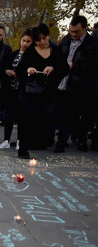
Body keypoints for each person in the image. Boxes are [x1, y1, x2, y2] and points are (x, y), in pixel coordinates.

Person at [17, 24, 68, 159]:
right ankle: (23, 147)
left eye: (44, 38)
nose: (42, 42)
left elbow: (64, 68)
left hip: (47, 90)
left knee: (46, 115)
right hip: (29, 89)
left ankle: (39, 141)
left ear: (48, 36)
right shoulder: (30, 51)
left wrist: (53, 69)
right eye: (38, 40)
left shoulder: (56, 50)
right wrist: (28, 70)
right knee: (27, 116)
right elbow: (19, 70)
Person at [55, 15, 98, 152]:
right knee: (65, 114)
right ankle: (61, 142)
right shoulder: (66, 40)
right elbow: (58, 57)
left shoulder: (93, 44)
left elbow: (94, 66)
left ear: (85, 28)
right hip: (64, 82)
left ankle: (82, 140)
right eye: (71, 31)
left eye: (77, 31)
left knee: (84, 115)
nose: (73, 34)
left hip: (83, 84)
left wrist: (75, 66)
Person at [0, 29, 34, 150]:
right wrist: (7, 71)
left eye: (28, 41)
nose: (25, 44)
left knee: (22, 117)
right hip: (10, 89)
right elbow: (4, 67)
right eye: (23, 40)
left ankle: (20, 140)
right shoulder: (14, 54)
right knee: (9, 115)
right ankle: (6, 140)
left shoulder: (32, 56)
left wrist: (20, 74)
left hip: (24, 90)